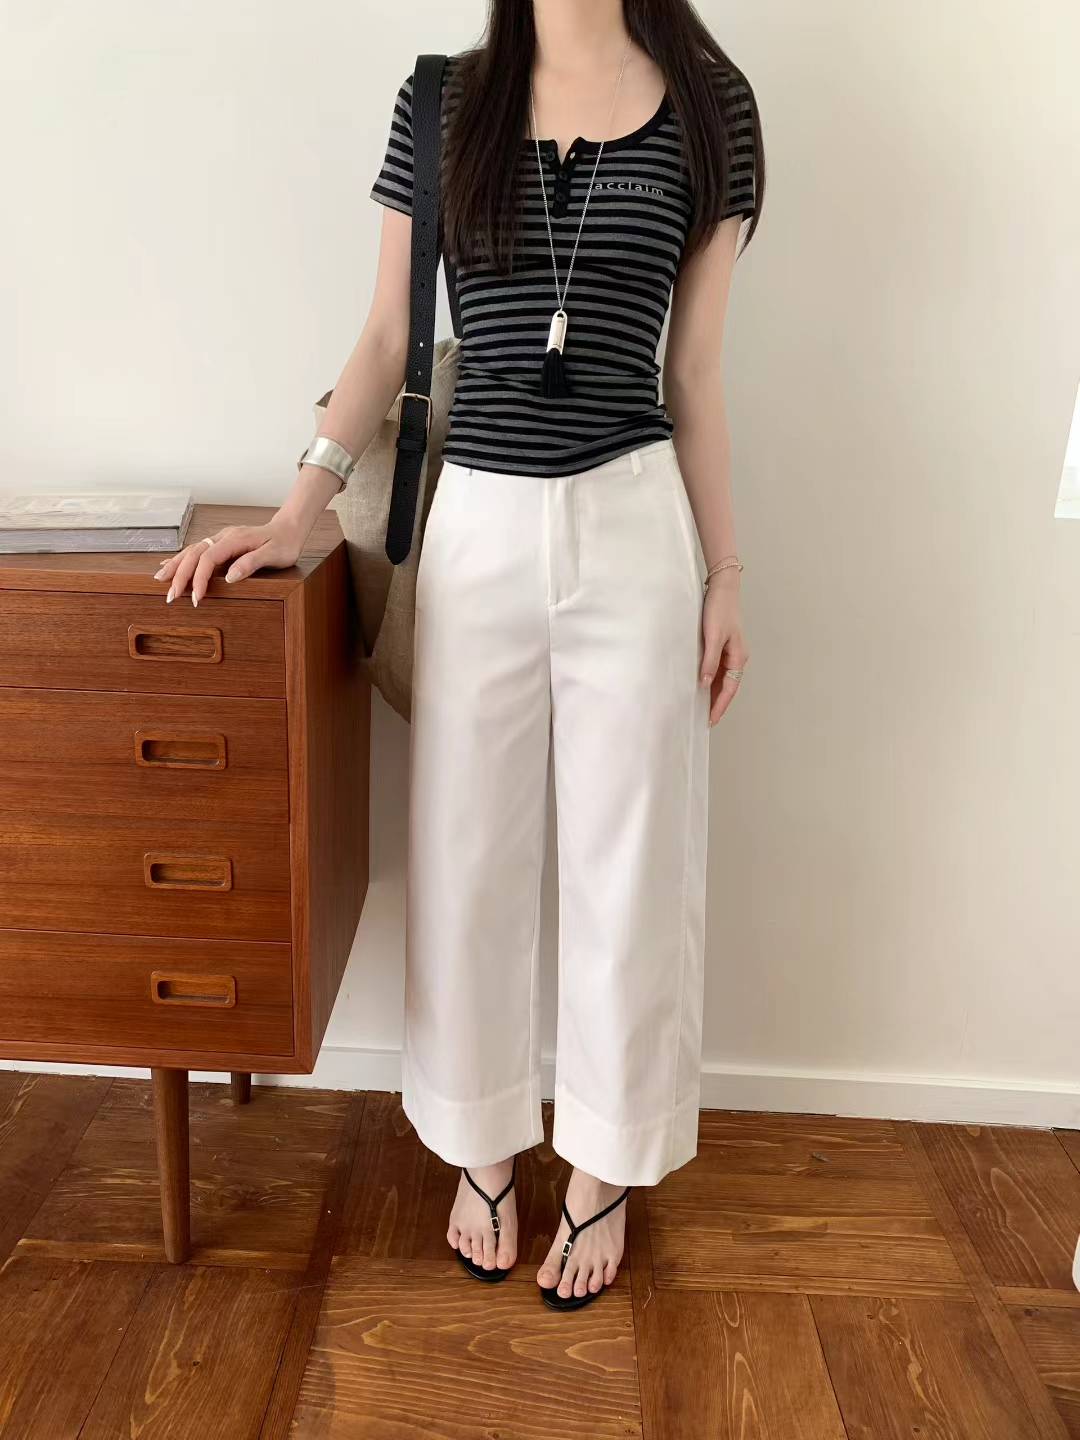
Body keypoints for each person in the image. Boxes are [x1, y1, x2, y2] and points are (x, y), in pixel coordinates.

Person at [153, 0, 764, 1311]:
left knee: (634, 863)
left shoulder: (714, 107)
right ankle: (481, 1144)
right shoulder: (442, 101)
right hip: (476, 520)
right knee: (467, 851)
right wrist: (297, 513)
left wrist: (727, 574)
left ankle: (604, 1162)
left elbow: (698, 371)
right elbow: (386, 337)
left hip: (635, 521)